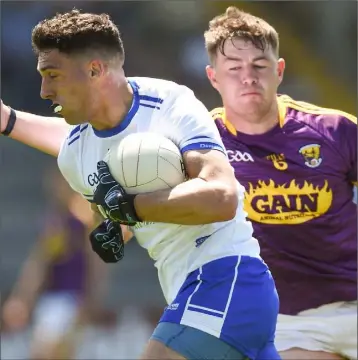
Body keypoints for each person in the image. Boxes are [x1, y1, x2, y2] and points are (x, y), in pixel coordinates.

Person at [1, 9, 280, 360]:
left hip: (229, 277)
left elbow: (222, 196)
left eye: (53, 75)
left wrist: (132, 206)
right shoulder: (75, 156)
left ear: (94, 70)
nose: (44, 90)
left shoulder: (168, 103)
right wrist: (115, 230)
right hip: (185, 289)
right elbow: (124, 219)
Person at [204, 6, 357, 360]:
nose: (248, 77)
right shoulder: (202, 142)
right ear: (213, 77)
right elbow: (152, 194)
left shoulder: (334, 129)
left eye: (259, 65)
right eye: (234, 69)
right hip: (292, 322)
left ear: (279, 70)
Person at [2, 166, 113, 360]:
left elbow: (97, 262)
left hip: (71, 299)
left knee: (47, 353)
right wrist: (23, 298)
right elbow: (40, 263)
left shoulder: (85, 218)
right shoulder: (54, 220)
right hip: (51, 299)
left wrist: (90, 299)